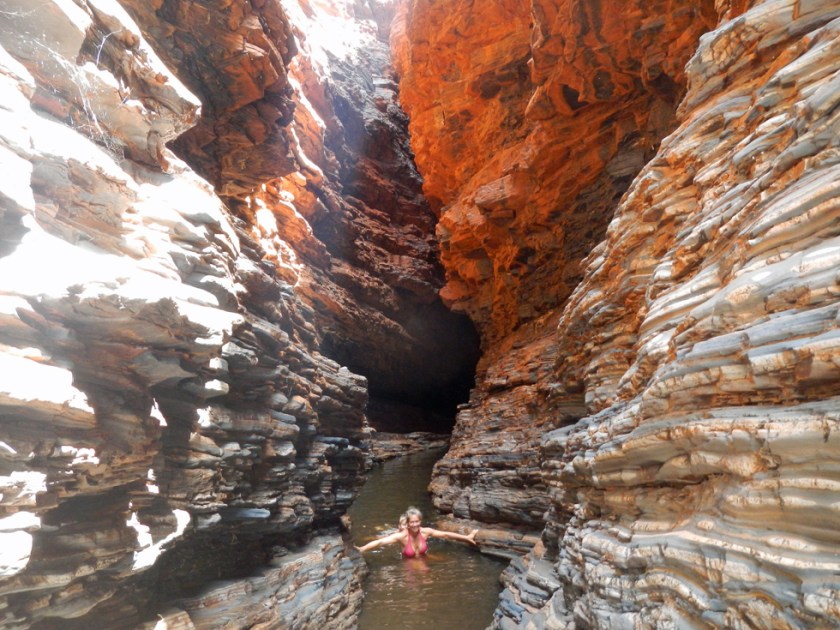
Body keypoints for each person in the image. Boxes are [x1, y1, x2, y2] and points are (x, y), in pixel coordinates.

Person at [355, 506, 479, 558]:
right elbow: (380, 542)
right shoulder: (401, 536)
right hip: (408, 565)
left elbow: (446, 535)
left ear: (420, 521)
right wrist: (362, 549)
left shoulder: (426, 532)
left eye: (417, 521)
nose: (414, 524)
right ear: (407, 523)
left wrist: (467, 537)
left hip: (423, 559)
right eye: (412, 522)